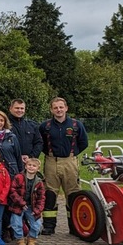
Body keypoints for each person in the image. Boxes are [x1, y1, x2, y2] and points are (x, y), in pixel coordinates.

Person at [39, 97, 88, 235]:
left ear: (66, 108)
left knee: (73, 194)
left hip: (70, 161)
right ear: (51, 110)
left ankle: (74, 227)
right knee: (50, 194)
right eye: (55, 107)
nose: (58, 110)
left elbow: (84, 143)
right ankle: (49, 226)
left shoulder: (76, 125)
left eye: (61, 107)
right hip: (51, 161)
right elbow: (40, 143)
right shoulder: (45, 126)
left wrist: (72, 154)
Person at [8, 158, 45, 245]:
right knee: (16, 223)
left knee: (37, 225)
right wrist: (21, 203)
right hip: (18, 205)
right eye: (29, 165)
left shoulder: (39, 182)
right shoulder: (18, 177)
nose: (31, 167)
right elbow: (12, 191)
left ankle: (32, 239)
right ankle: (20, 239)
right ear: (25, 166)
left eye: (34, 166)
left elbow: (41, 197)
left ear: (38, 169)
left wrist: (37, 210)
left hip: (32, 206)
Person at [7, 99, 43, 163]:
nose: (19, 110)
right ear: (10, 109)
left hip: (29, 163)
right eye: (17, 108)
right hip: (10, 162)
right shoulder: (4, 125)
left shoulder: (32, 125)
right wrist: (17, 157)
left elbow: (39, 143)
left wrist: (31, 157)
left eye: (22, 108)